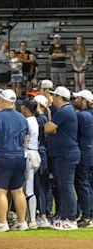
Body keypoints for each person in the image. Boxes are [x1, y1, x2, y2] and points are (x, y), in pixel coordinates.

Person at [0, 89, 29, 232]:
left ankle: (2, 222)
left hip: (2, 156)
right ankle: (22, 222)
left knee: (0, 190)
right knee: (18, 190)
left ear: (3, 100)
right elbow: (25, 138)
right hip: (19, 155)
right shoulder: (22, 118)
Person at [44, 86, 81, 230]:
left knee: (66, 186)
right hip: (64, 153)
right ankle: (64, 215)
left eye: (54, 96)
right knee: (63, 186)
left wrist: (50, 127)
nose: (52, 99)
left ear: (59, 97)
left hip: (66, 154)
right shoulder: (66, 111)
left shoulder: (64, 111)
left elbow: (48, 128)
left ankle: (71, 218)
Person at [73, 89, 93, 227]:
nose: (76, 101)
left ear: (84, 101)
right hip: (91, 151)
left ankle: (86, 216)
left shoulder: (81, 116)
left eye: (78, 98)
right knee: (89, 185)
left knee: (82, 184)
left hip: (84, 153)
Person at [20, 99, 41, 229]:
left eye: (23, 106)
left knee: (27, 189)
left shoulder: (27, 121)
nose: (21, 108)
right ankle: (31, 219)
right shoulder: (34, 120)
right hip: (35, 154)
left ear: (27, 109)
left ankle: (30, 219)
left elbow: (23, 139)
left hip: (28, 154)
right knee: (29, 188)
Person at [33, 95, 52, 228]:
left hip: (39, 152)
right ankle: (44, 213)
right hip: (44, 152)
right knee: (43, 186)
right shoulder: (45, 118)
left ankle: (43, 215)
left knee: (39, 186)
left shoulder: (39, 119)